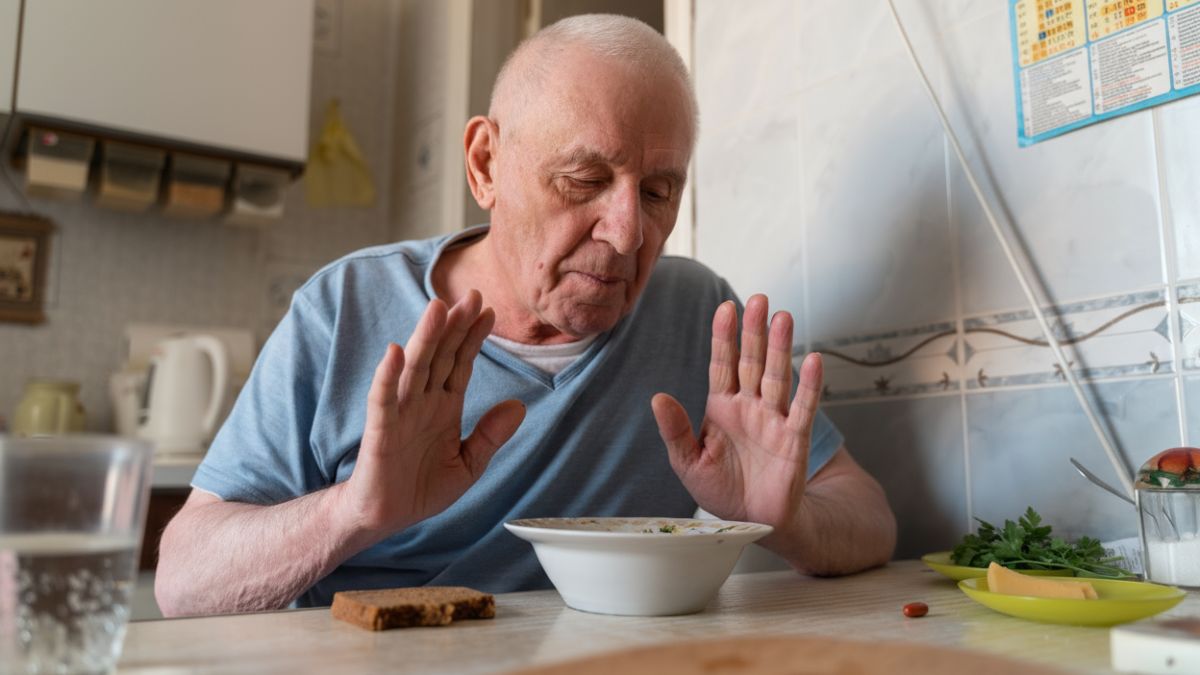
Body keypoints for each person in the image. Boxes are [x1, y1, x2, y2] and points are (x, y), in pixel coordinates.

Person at [155, 14, 896, 617]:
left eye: (657, 191)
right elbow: (183, 579)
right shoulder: (344, 308)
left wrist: (787, 520)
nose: (628, 231)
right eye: (585, 179)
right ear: (485, 164)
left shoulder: (698, 313)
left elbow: (867, 515)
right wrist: (355, 510)